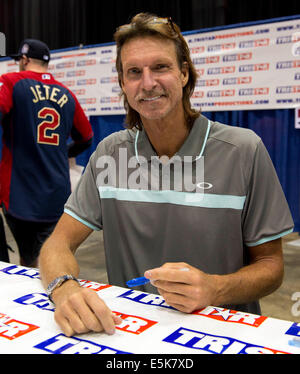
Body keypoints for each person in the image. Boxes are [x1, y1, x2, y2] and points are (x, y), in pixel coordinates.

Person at [39, 13, 294, 337]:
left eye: (160, 67)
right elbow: (57, 244)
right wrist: (64, 289)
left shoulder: (242, 151)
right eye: (134, 72)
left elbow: (272, 268)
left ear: (184, 73)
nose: (147, 83)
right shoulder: (110, 154)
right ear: (122, 84)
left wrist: (214, 288)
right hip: (131, 336)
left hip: (221, 336)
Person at [0, 39, 93, 267]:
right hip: (56, 194)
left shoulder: (11, 82)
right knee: (50, 259)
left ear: (24, 60)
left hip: (19, 194)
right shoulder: (67, 93)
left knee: (30, 262)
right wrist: (64, 152)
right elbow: (87, 137)